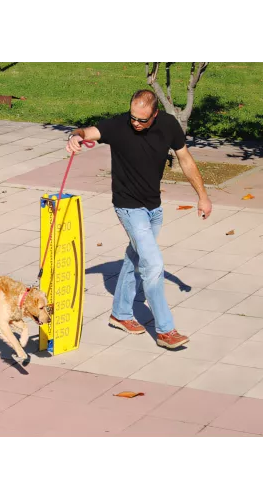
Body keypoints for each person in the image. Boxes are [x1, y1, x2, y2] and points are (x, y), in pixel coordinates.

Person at [66, 89, 212, 349]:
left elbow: (186, 159)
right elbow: (87, 132)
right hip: (128, 207)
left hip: (153, 208)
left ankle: (120, 314)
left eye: (142, 120)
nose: (136, 123)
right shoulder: (118, 125)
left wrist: (202, 196)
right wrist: (74, 137)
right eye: (133, 117)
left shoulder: (168, 124)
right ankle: (166, 330)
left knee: (135, 257)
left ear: (155, 114)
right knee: (153, 266)